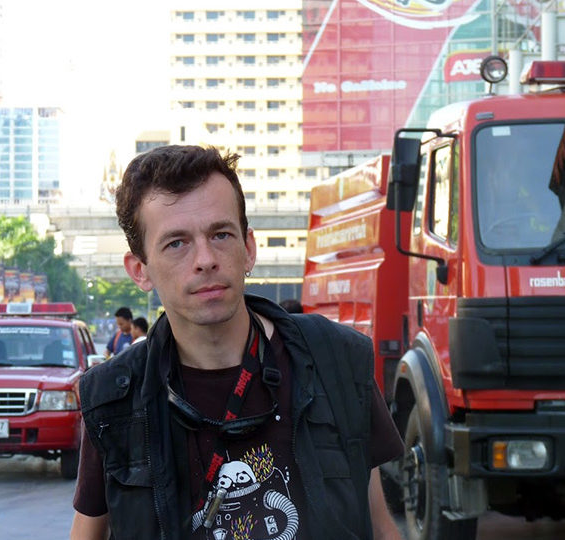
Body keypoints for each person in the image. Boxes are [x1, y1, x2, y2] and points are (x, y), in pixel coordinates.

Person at [70, 145, 404, 539]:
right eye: (176, 243)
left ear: (248, 248)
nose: (206, 258)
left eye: (221, 234)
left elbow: (382, 527)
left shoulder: (337, 361)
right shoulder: (113, 397)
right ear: (140, 270)